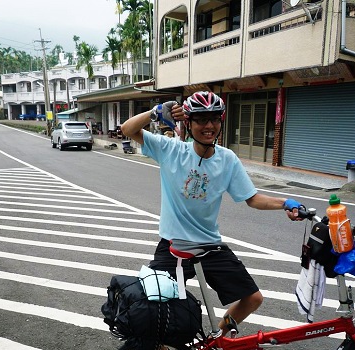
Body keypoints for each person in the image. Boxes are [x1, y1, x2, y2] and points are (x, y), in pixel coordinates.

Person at [121, 91, 303, 335]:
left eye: (214, 119)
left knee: (253, 298)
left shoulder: (227, 160)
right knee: (151, 302)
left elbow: (252, 199)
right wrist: (156, 111)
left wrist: (286, 203)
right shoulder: (171, 150)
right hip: (174, 245)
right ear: (189, 123)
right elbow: (128, 129)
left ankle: (217, 338)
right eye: (201, 119)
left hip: (210, 246)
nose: (209, 126)